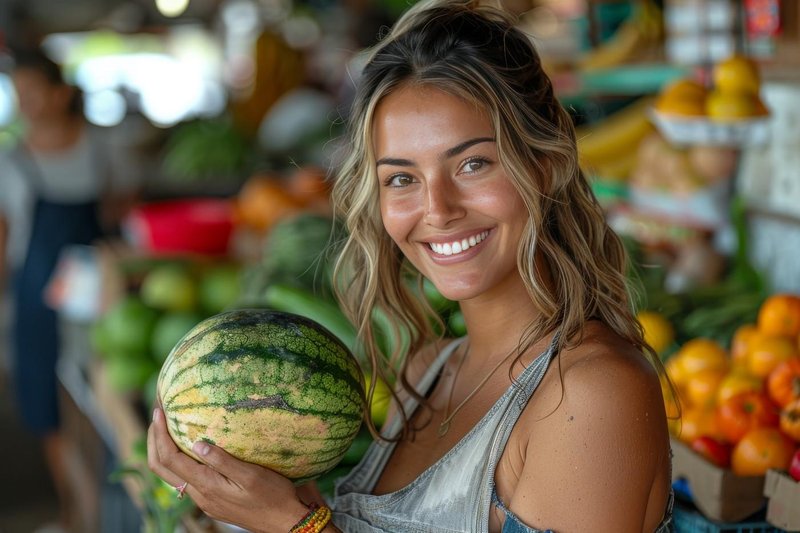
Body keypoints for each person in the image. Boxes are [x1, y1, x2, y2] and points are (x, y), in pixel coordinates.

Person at [148, 1, 674, 531]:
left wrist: (296, 526)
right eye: (402, 178)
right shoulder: (427, 372)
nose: (438, 210)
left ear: (546, 166)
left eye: (472, 164)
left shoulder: (590, 393)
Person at [0, 48, 135, 532]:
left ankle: (97, 514)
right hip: (35, 302)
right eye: (20, 96)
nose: (28, 104)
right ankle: (74, 513)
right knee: (47, 411)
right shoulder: (10, 161)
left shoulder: (101, 149)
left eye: (35, 94)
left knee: (99, 406)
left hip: (99, 301)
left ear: (60, 95)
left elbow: (122, 211)